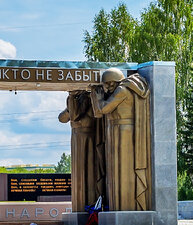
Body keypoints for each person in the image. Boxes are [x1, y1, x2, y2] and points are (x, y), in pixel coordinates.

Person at [90, 68, 151, 211]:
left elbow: (104, 109)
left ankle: (125, 204)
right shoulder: (118, 90)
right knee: (115, 168)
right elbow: (99, 114)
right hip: (115, 129)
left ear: (118, 81)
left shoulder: (122, 90)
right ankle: (117, 204)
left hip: (124, 130)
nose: (109, 87)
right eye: (106, 84)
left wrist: (97, 96)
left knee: (123, 168)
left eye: (111, 83)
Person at [58, 88, 104, 213]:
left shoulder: (92, 102)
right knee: (80, 175)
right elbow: (62, 118)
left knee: (89, 172)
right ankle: (82, 206)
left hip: (89, 140)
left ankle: (90, 206)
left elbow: (79, 117)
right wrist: (71, 104)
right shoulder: (75, 103)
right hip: (77, 139)